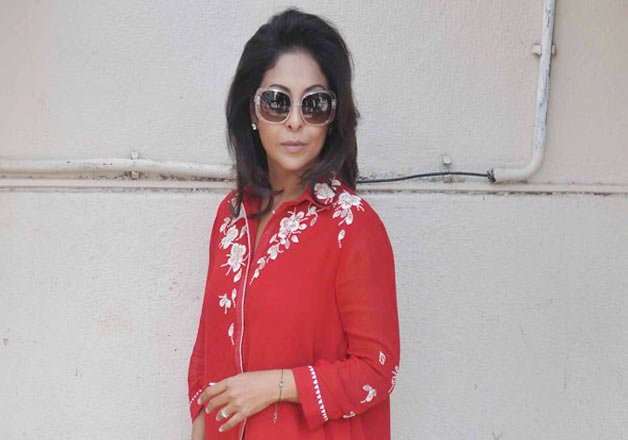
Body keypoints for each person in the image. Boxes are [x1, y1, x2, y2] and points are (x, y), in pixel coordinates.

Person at [187, 7, 400, 440]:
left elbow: (377, 371)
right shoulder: (230, 217)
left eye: (314, 104)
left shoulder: (351, 226)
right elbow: (207, 347)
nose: (296, 122)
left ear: (333, 118)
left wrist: (276, 386)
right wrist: (199, 423)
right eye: (277, 101)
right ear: (252, 110)